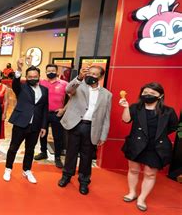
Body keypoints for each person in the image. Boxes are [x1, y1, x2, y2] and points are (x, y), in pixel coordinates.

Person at [119, 83, 178, 212]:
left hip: (156, 146)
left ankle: (142, 198)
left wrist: (159, 135)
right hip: (136, 143)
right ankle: (132, 192)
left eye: (152, 94)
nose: (148, 95)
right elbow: (126, 120)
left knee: (150, 174)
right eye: (145, 92)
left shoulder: (168, 111)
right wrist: (125, 107)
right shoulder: (136, 107)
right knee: (133, 170)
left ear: (160, 95)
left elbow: (173, 127)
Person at [58, 65, 112, 195]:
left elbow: (106, 116)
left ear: (101, 77)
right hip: (75, 124)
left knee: (87, 156)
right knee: (71, 152)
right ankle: (66, 176)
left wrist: (103, 136)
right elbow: (68, 89)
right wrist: (79, 77)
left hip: (92, 128)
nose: (91, 76)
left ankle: (84, 181)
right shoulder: (79, 86)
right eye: (90, 73)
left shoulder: (107, 95)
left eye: (95, 74)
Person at [3, 61, 49, 184]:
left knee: (30, 149)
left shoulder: (44, 90)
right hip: (20, 123)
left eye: (35, 76)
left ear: (39, 76)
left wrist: (44, 126)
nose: (32, 78)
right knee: (13, 148)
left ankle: (27, 170)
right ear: (26, 77)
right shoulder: (21, 87)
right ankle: (8, 168)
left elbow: (45, 108)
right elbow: (15, 83)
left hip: (35, 125)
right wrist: (18, 69)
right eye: (30, 77)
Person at [34, 64, 68, 168]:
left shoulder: (64, 84)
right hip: (43, 113)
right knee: (42, 133)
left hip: (57, 114)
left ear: (57, 71)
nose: (50, 72)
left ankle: (57, 157)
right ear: (45, 71)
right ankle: (43, 152)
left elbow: (73, 98)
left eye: (53, 70)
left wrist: (63, 109)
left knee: (58, 136)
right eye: (48, 71)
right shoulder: (41, 83)